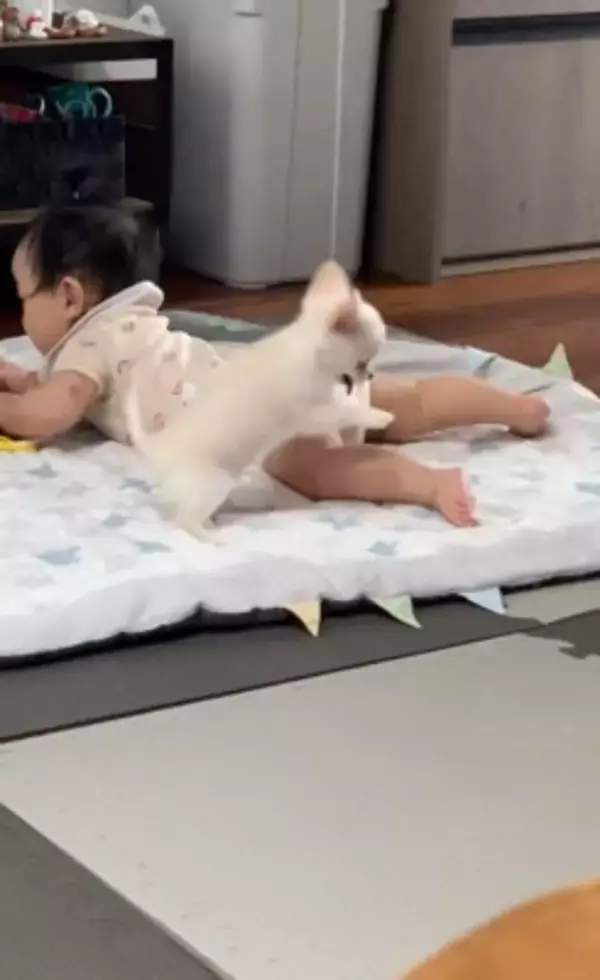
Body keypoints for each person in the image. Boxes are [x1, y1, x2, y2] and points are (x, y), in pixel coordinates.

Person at [2, 205, 549, 527]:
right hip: (275, 375)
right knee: (407, 401)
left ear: (69, 297)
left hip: (254, 418)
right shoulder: (130, 328)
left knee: (319, 468)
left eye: (23, 296)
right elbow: (54, 390)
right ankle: (512, 407)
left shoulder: (89, 341)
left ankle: (428, 485)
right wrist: (19, 381)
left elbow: (49, 413)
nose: (21, 311)